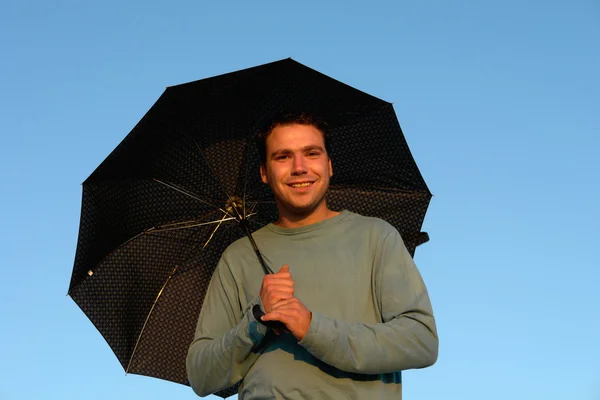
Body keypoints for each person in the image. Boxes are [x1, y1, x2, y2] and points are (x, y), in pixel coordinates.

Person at [186, 112, 438, 399]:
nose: (299, 167)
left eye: (311, 153)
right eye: (283, 157)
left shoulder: (376, 237)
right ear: (264, 173)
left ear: (329, 165)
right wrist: (256, 318)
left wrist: (312, 328)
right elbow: (201, 374)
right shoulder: (238, 256)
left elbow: (421, 341)